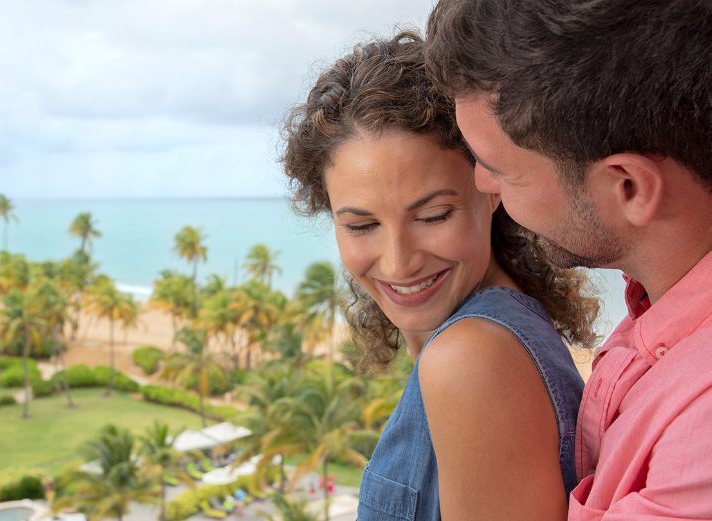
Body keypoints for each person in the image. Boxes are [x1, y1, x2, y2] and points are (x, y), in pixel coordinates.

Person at [282, 31, 599, 520]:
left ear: (492, 188)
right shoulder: (477, 333)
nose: (398, 262)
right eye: (361, 225)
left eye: (433, 217)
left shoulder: (470, 357)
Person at [425, 1, 712, 518]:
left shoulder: (701, 438)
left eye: (499, 169)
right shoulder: (660, 300)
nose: (481, 184)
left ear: (626, 185)